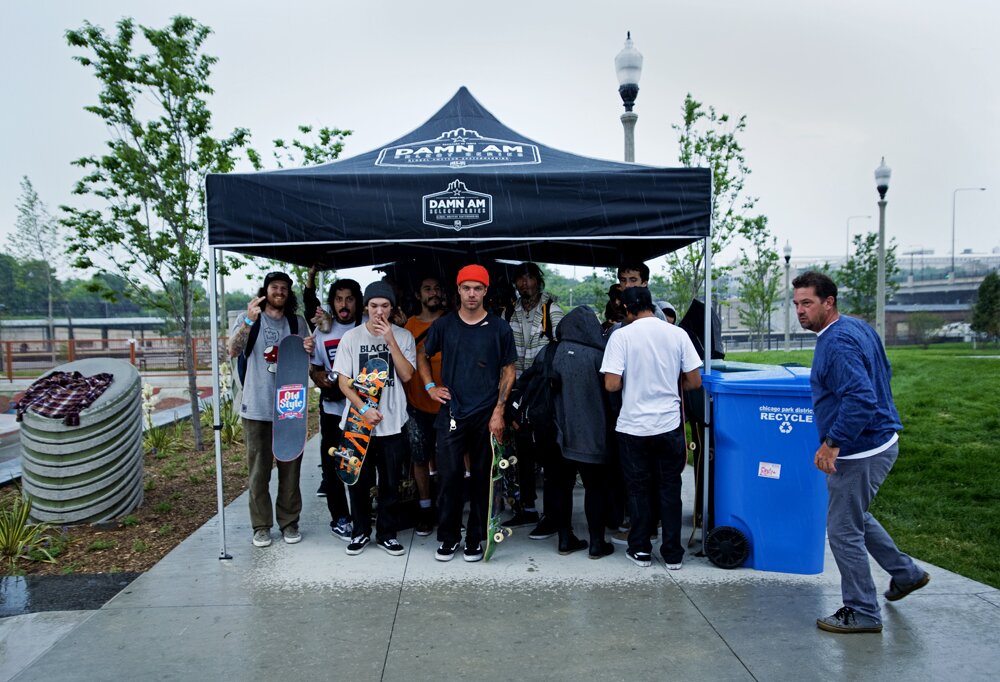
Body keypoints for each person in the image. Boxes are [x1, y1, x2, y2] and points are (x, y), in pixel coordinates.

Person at [792, 271, 929, 634]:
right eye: (796, 304)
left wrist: (832, 442)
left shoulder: (836, 343)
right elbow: (881, 374)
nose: (800, 311)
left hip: (860, 451)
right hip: (878, 440)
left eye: (807, 303)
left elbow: (861, 398)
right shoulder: (856, 327)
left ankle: (862, 610)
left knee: (842, 530)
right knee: (854, 517)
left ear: (829, 302)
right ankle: (907, 573)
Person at [419, 264, 516, 562]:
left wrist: (499, 410)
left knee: (482, 480)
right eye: (466, 288)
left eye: (477, 288)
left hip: (486, 414)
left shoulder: (499, 328)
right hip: (452, 412)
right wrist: (430, 386)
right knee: (449, 478)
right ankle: (448, 538)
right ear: (458, 290)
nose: (472, 293)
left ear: (485, 291)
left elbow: (509, 370)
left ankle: (475, 538)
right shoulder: (444, 325)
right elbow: (423, 354)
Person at [601, 286, 702, 569]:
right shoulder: (677, 334)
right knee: (670, 488)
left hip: (633, 427)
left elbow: (611, 384)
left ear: (626, 309)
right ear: (651, 305)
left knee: (638, 490)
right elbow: (695, 381)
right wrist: (670, 383)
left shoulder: (621, 336)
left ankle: (641, 549)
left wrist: (633, 380)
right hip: (669, 425)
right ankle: (673, 553)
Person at [228, 271, 314, 548]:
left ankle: (289, 522)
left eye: (284, 288)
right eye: (274, 287)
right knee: (258, 472)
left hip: (289, 408)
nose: (279, 292)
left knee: (291, 470)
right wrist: (248, 321)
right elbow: (233, 350)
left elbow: (308, 359)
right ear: (265, 291)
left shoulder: (296, 322)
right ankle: (261, 526)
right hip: (257, 406)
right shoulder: (250, 319)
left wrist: (309, 348)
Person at [333, 282, 416, 557]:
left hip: (392, 422)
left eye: (385, 306)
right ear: (366, 308)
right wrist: (364, 409)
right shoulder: (351, 338)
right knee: (357, 481)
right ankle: (359, 532)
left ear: (392, 308)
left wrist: (390, 340)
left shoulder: (403, 336)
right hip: (358, 423)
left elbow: (407, 375)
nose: (379, 311)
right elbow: (343, 382)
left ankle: (387, 534)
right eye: (374, 306)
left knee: (390, 482)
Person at [504, 262, 564, 538]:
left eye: (529, 278)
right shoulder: (509, 311)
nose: (525, 283)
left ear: (538, 281)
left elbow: (561, 346)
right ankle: (526, 507)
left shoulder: (552, 309)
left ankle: (552, 515)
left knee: (548, 453)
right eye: (520, 279)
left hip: (542, 390)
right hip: (517, 389)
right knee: (521, 452)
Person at [550, 306, 614, 558]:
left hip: (559, 434)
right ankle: (597, 543)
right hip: (593, 435)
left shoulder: (552, 352)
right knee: (595, 488)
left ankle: (564, 539)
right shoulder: (601, 356)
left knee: (561, 487)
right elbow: (612, 397)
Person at [309, 278, 363, 541]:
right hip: (332, 409)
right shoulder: (323, 331)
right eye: (339, 299)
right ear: (332, 302)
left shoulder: (367, 325)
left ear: (357, 302)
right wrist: (320, 378)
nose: (344, 304)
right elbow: (316, 368)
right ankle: (340, 518)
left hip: (362, 411)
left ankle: (363, 515)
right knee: (333, 466)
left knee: (362, 466)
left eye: (349, 299)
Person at [402, 275, 447, 536]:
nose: (433, 293)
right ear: (418, 295)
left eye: (437, 288)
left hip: (446, 404)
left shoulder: (452, 322)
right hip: (416, 404)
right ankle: (425, 508)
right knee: (419, 458)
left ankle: (446, 507)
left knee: (447, 460)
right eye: (427, 288)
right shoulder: (408, 326)